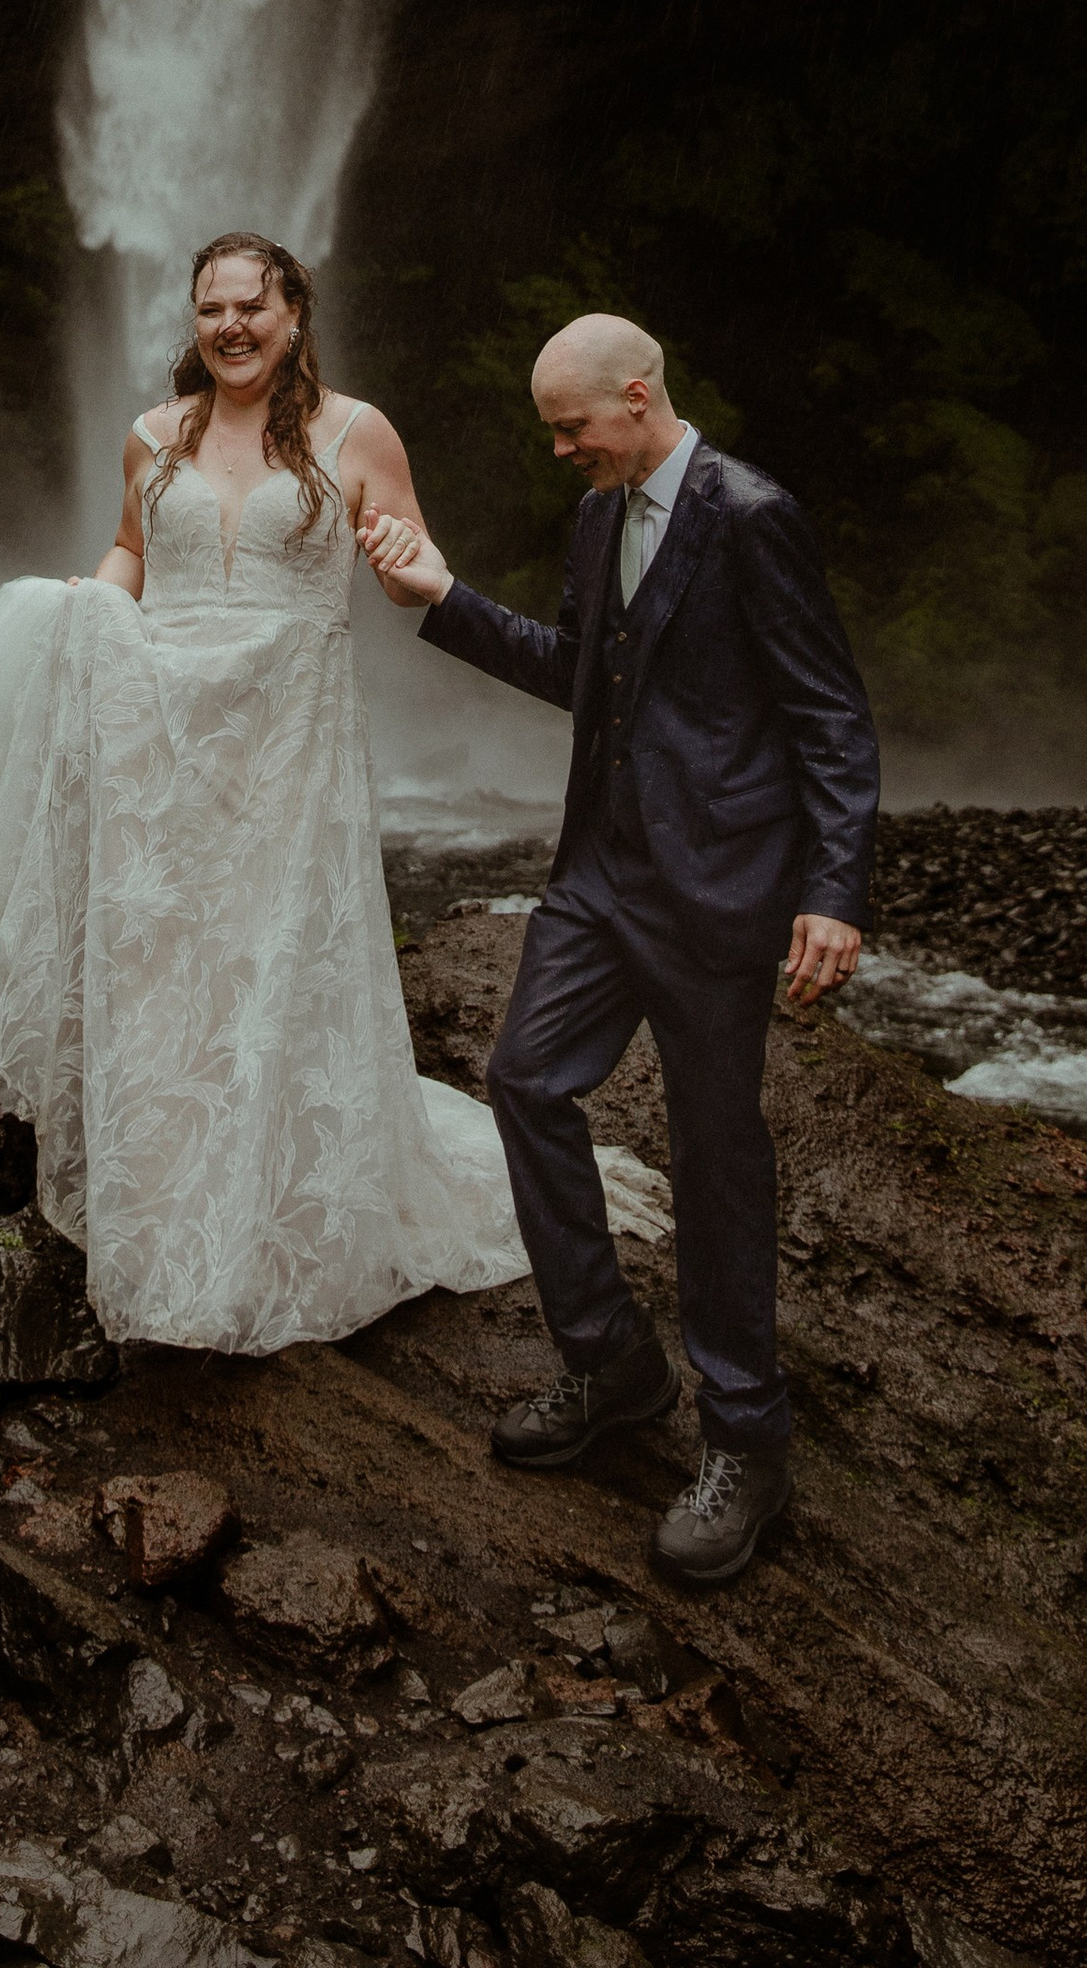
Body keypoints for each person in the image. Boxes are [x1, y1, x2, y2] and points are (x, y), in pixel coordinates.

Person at [0, 233, 667, 1354]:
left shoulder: (359, 432)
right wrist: (85, 602)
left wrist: (404, 561)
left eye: (253, 306)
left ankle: (261, 1225)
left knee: (267, 968)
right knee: (160, 966)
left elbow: (408, 560)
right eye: (212, 310)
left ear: (295, 312)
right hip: (161, 741)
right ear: (195, 321)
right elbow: (128, 556)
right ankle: (161, 1211)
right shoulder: (152, 437)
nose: (232, 328)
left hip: (284, 747)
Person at [359, 312, 877, 1586]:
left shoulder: (751, 515)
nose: (556, 450)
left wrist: (833, 892)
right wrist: (440, 600)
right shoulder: (598, 517)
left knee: (715, 1157)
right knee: (525, 1082)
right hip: (597, 877)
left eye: (569, 426)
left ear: (636, 399)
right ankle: (611, 1363)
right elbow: (576, 673)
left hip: (717, 893)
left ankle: (746, 1441)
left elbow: (830, 715)